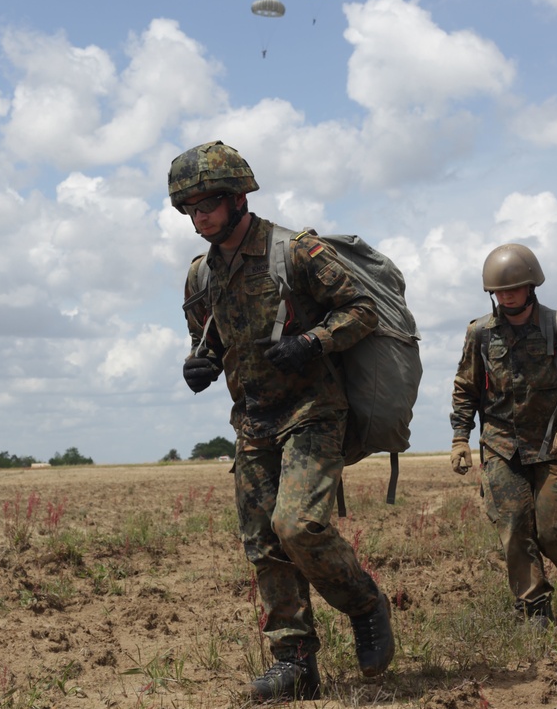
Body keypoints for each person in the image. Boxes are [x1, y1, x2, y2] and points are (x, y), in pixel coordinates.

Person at [171, 141, 395, 702]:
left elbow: (362, 310)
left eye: (207, 205)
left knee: (297, 525)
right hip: (253, 421)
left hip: (314, 410)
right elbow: (209, 337)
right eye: (189, 209)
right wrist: (198, 364)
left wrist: (313, 341)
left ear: (238, 198)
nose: (199, 217)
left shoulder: (296, 252)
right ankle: (295, 662)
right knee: (263, 542)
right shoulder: (200, 276)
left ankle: (366, 605)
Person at [449, 243, 557, 626]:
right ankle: (533, 607)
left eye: (514, 288)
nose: (507, 296)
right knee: (515, 528)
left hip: (556, 445)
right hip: (502, 447)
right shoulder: (480, 334)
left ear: (531, 286)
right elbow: (465, 388)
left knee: (553, 533)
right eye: (500, 291)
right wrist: (459, 438)